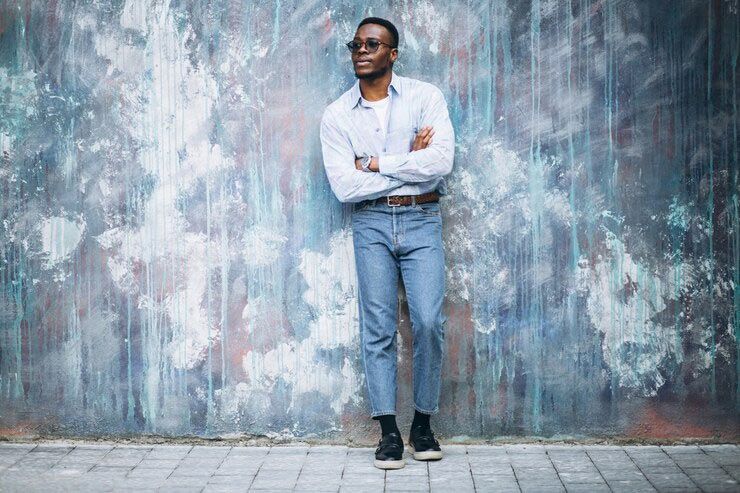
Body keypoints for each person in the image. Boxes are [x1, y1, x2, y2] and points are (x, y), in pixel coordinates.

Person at [319, 16, 455, 470]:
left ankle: (422, 423)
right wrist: (407, 164)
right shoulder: (337, 114)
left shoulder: (425, 97)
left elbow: (440, 164)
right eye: (356, 43)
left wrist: (374, 164)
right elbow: (344, 187)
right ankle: (389, 432)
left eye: (372, 44)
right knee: (378, 329)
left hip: (421, 218)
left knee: (429, 322)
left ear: (392, 54)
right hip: (372, 225)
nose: (361, 50)